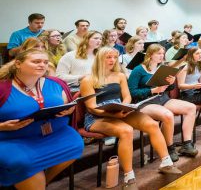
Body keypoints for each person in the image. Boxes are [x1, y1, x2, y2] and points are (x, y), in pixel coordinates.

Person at [80, 47, 182, 189]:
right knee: (127, 131)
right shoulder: (88, 79)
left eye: (114, 57)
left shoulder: (120, 75)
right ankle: (129, 178)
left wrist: (123, 106)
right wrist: (112, 114)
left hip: (119, 110)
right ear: (99, 59)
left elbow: (127, 96)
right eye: (108, 57)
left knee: (152, 124)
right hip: (98, 116)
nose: (112, 60)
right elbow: (91, 107)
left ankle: (166, 163)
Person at [0, 49, 83, 189]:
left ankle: (42, 183)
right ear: (18, 64)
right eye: (36, 61)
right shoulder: (3, 87)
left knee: (76, 146)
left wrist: (70, 109)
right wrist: (2, 126)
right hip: (15, 139)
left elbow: (68, 105)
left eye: (45, 62)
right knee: (25, 164)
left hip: (57, 134)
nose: (42, 65)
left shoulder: (55, 83)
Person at [128, 44, 198, 161]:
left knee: (191, 107)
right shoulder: (138, 70)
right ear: (150, 55)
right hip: (145, 102)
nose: (161, 56)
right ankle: (169, 148)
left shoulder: (162, 68)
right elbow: (132, 92)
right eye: (158, 54)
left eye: (162, 54)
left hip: (162, 99)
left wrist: (171, 83)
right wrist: (152, 90)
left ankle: (187, 144)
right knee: (167, 115)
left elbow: (168, 89)